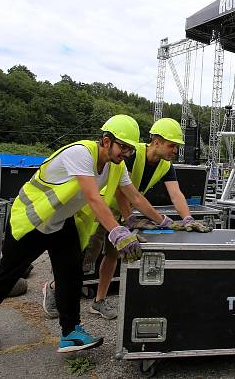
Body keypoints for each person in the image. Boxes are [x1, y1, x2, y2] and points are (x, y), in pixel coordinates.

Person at [0, 115, 169, 353]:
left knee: (70, 274)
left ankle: (71, 332)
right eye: (123, 147)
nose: (126, 154)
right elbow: (93, 197)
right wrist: (118, 233)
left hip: (61, 222)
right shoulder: (81, 153)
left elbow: (134, 196)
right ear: (105, 141)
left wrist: (162, 220)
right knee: (8, 274)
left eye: (130, 150)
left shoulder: (116, 166)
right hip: (33, 219)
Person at [42, 117, 210, 320]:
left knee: (113, 255)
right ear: (156, 141)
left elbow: (176, 194)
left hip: (122, 215)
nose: (175, 150)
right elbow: (123, 192)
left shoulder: (166, 166)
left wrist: (187, 219)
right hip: (99, 211)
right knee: (84, 261)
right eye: (172, 145)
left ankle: (99, 301)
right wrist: (131, 218)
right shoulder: (131, 153)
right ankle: (53, 287)